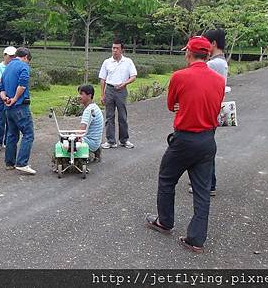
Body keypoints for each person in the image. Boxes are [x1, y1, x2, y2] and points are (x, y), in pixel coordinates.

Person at [145, 36, 224, 254]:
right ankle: (196, 240)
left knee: (167, 179)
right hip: (208, 140)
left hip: (184, 140)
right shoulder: (219, 80)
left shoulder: (180, 76)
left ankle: (165, 222)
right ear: (207, 55)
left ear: (188, 53)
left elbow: (172, 105)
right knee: (202, 191)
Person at [187, 29, 229, 196]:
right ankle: (207, 182)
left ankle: (207, 183)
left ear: (213, 44)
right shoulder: (221, 62)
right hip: (213, 109)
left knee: (204, 149)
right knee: (207, 146)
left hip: (206, 110)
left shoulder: (213, 64)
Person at [0, 47, 36, 175]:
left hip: (8, 107)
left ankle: (9, 163)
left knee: (12, 135)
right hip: (20, 106)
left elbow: (1, 88)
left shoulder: (7, 67)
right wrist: (15, 99)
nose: (28, 63)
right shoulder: (23, 67)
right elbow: (22, 85)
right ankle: (22, 163)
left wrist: (5, 99)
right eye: (28, 60)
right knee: (28, 134)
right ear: (25, 57)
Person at [98, 39, 137, 149]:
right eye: (113, 48)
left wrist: (125, 83)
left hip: (121, 90)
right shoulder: (107, 62)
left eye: (117, 48)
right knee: (109, 116)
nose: (114, 50)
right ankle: (111, 141)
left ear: (122, 50)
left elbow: (133, 76)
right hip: (109, 90)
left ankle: (124, 140)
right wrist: (102, 94)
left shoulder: (128, 61)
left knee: (122, 116)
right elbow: (102, 79)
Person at [0, 46, 16, 152]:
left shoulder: (14, 67)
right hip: (1, 96)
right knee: (1, 119)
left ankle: (7, 141)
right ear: (5, 55)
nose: (11, 58)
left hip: (12, 95)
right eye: (10, 56)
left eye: (13, 56)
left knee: (10, 120)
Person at [76, 84, 104, 161]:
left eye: (81, 94)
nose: (79, 96)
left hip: (91, 142)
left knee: (68, 142)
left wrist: (71, 138)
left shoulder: (89, 110)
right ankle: (96, 151)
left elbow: (81, 131)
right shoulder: (94, 107)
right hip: (96, 140)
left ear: (89, 95)